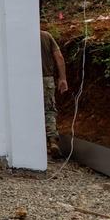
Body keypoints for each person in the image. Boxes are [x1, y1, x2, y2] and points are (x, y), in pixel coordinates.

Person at [40, 30, 69, 158]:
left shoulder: (20, 36)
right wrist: (62, 78)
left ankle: (36, 144)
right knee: (49, 111)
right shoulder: (46, 36)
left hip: (27, 81)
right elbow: (59, 57)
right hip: (46, 79)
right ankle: (52, 141)